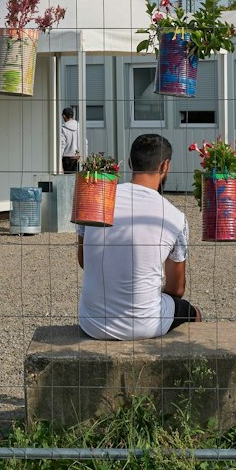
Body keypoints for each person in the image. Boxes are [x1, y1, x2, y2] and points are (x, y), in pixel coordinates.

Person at [76, 133, 198, 340]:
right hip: (144, 325)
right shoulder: (175, 217)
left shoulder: (97, 201)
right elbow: (177, 289)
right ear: (165, 166)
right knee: (192, 313)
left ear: (131, 163)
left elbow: (84, 260)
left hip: (92, 322)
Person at [58, 107, 80, 174]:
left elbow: (62, 145)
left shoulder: (63, 128)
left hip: (67, 159)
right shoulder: (79, 127)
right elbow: (85, 143)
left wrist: (59, 162)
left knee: (67, 180)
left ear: (64, 116)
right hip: (78, 157)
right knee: (77, 181)